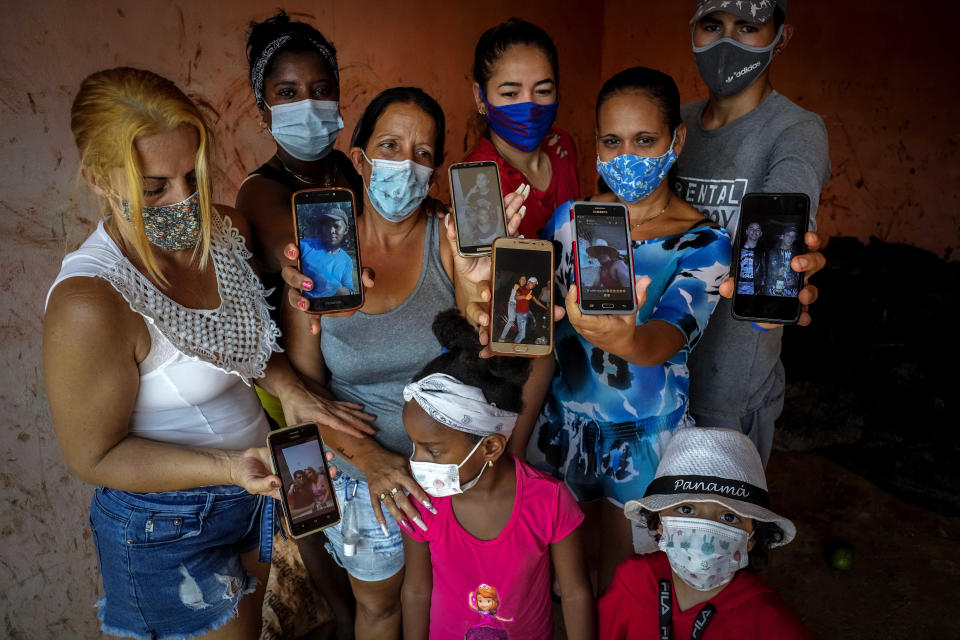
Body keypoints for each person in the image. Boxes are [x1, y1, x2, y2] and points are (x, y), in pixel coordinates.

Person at [43, 67, 359, 640]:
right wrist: (227, 468)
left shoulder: (222, 231)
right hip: (165, 527)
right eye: (155, 187)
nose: (185, 204)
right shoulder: (91, 301)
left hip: (247, 494)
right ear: (96, 177)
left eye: (194, 176)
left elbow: (242, 343)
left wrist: (290, 389)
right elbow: (93, 456)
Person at [282, 86, 529, 640]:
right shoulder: (316, 259)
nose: (405, 165)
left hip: (454, 461)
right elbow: (300, 395)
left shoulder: (451, 242)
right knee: (383, 608)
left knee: (464, 600)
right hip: (357, 468)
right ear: (361, 158)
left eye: (422, 154)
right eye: (390, 146)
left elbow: (488, 356)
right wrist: (370, 461)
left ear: (436, 170)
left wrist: (476, 291)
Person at [527, 67, 732, 591]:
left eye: (645, 140)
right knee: (561, 582)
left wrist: (628, 341)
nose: (627, 157)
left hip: (644, 442)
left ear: (676, 140)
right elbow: (532, 317)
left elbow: (667, 337)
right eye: (612, 141)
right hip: (561, 428)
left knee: (623, 585)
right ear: (595, 143)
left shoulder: (703, 243)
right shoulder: (570, 221)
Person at [676, 0, 830, 465]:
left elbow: (791, 214)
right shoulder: (673, 125)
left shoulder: (796, 130)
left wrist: (792, 269)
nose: (727, 41)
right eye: (712, 25)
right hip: (651, 382)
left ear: (782, 37)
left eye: (747, 26)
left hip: (728, 398)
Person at [400, 310, 594, 640]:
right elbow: (417, 591)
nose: (416, 462)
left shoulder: (549, 500)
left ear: (490, 447)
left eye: (432, 450)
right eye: (414, 445)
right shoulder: (421, 503)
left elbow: (575, 594)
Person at [598, 427, 810, 639]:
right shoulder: (633, 582)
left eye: (729, 517)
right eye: (687, 509)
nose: (704, 528)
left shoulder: (770, 625)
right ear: (659, 521)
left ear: (751, 538)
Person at [464, 18, 580, 238]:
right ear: (481, 97)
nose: (529, 106)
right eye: (510, 93)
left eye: (543, 91)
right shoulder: (476, 178)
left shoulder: (562, 146)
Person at [300, 206, 356, 298]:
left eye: (336, 226)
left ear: (346, 230)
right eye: (327, 226)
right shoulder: (304, 246)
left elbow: (349, 291)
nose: (331, 231)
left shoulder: (347, 261)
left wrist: (332, 286)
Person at [762, 226, 799, 296]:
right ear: (782, 237)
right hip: (774, 287)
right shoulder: (771, 252)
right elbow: (764, 272)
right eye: (788, 235)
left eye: (793, 236)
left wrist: (795, 280)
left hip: (791, 290)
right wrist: (775, 273)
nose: (790, 238)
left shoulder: (797, 254)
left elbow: (800, 273)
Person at [736, 222, 763, 295]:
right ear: (746, 231)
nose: (754, 232)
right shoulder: (737, 249)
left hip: (755, 289)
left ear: (761, 233)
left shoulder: (763, 253)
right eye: (752, 229)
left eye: (757, 230)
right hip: (737, 288)